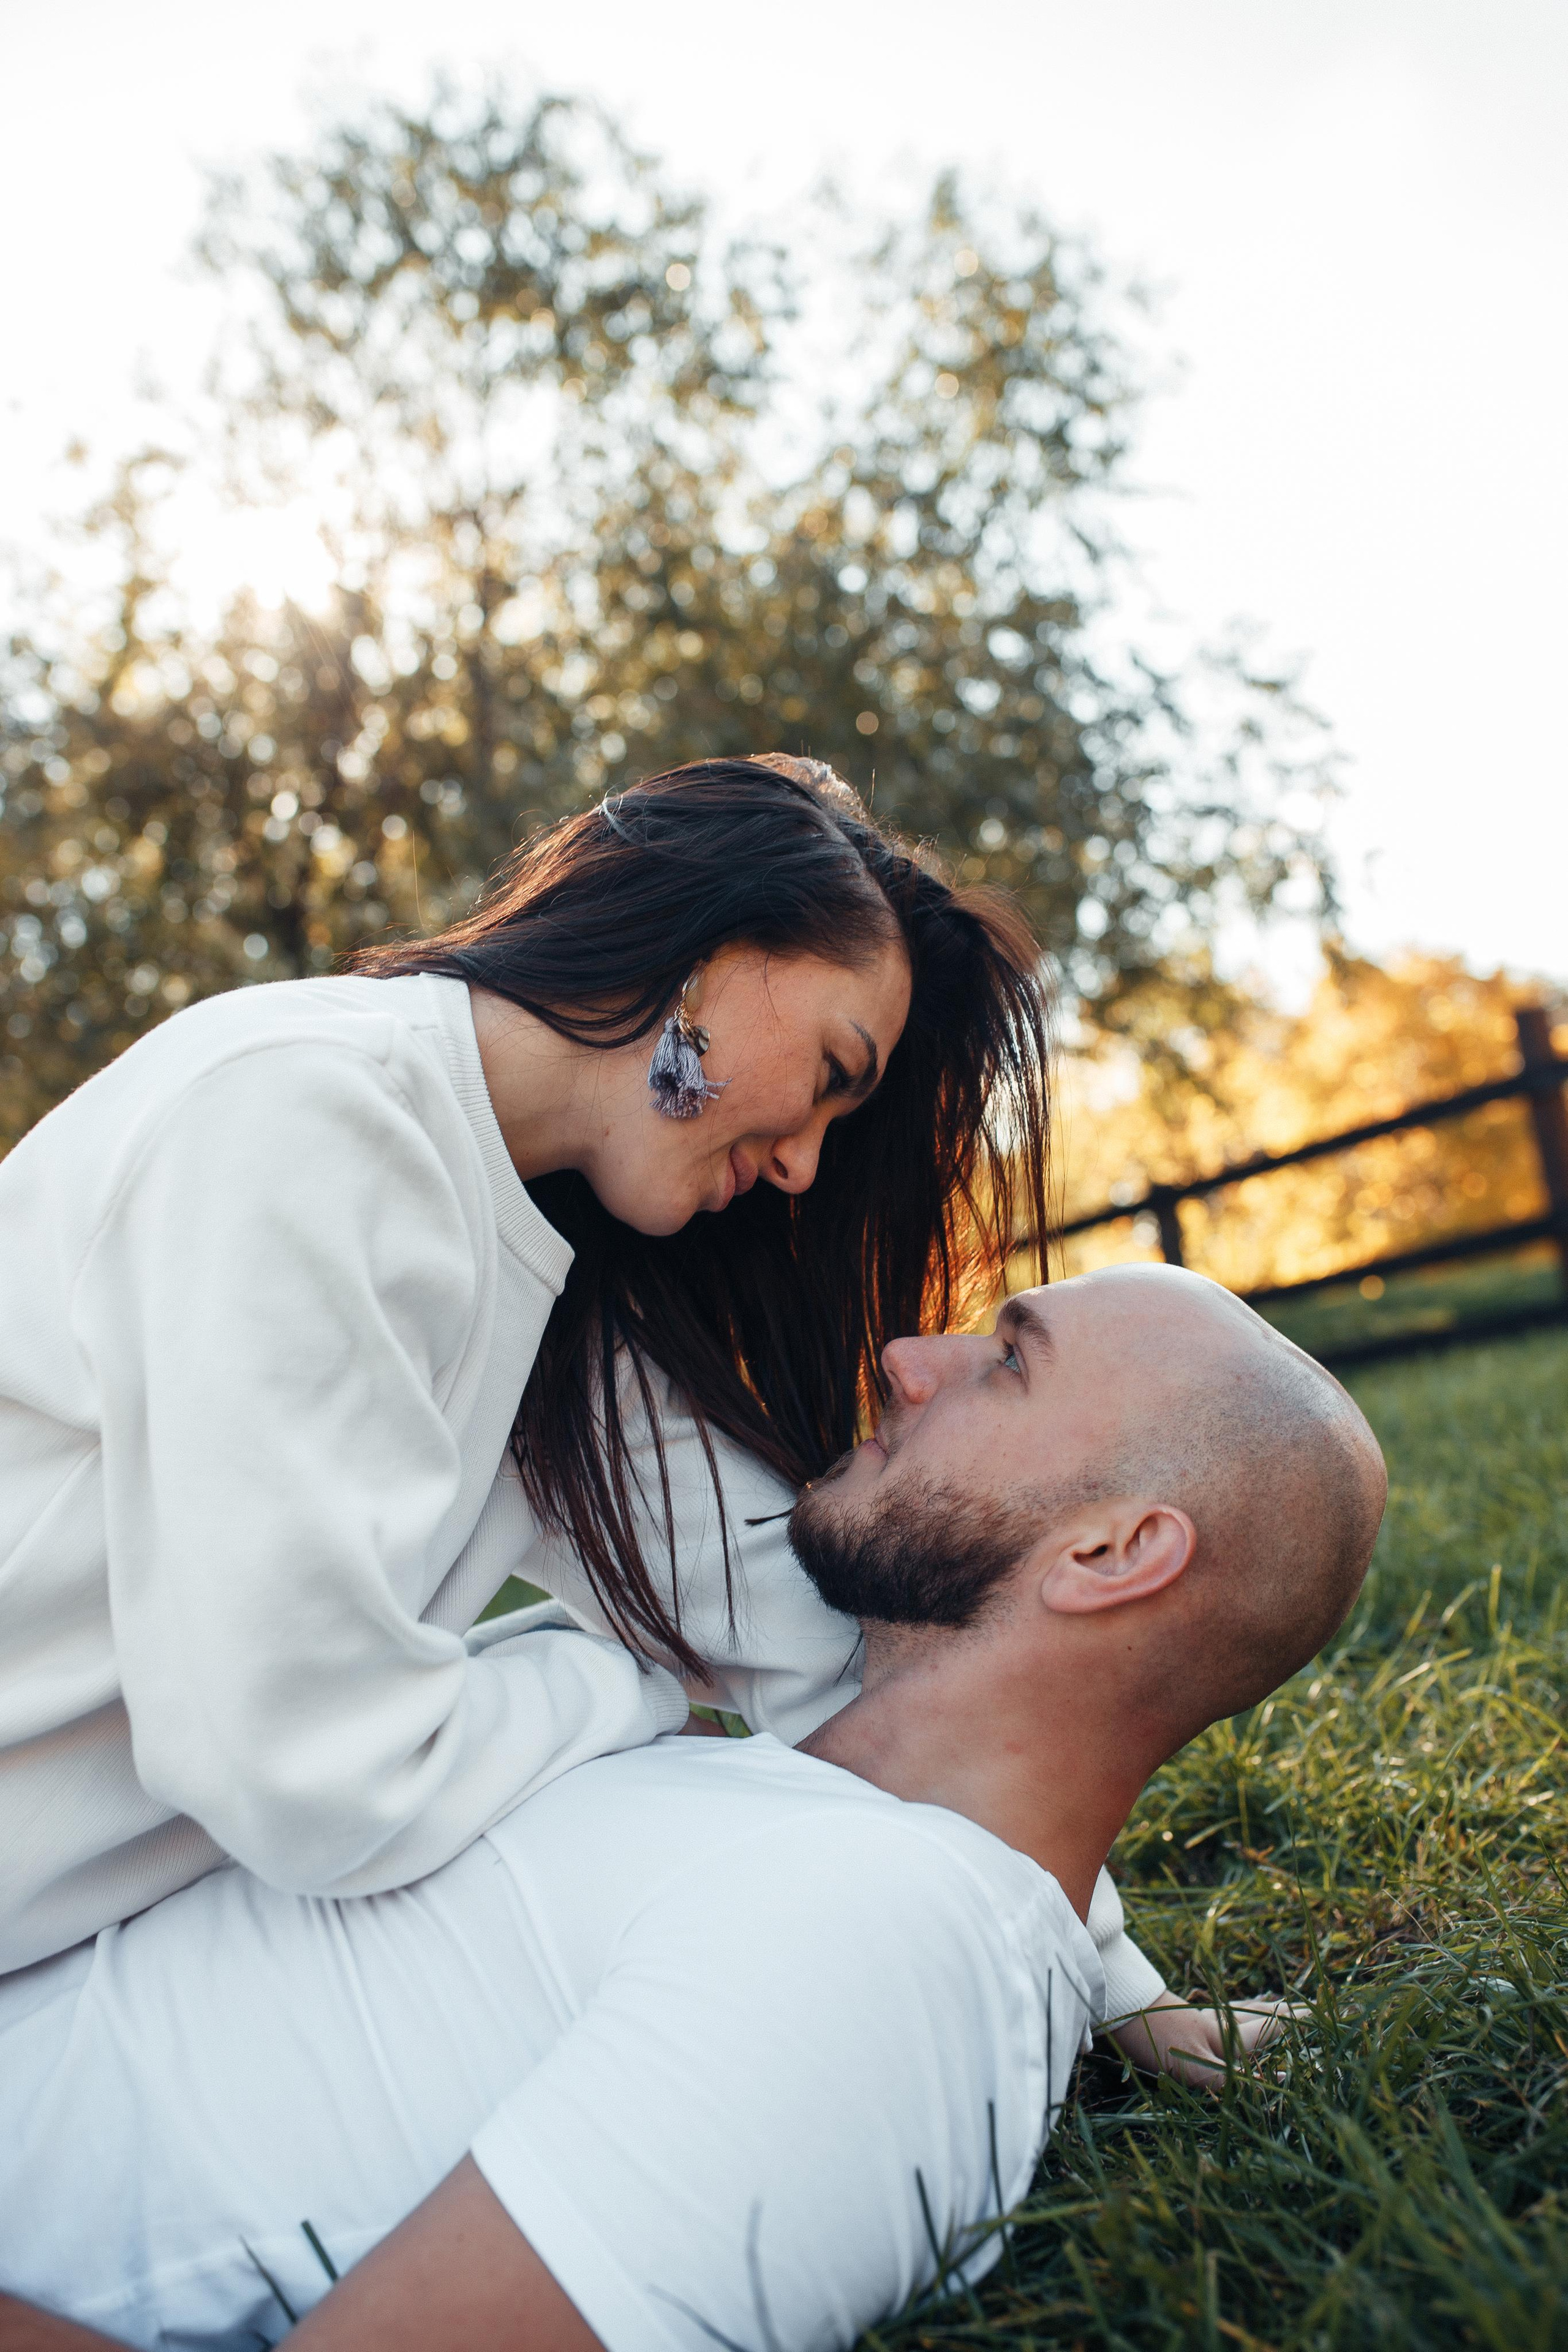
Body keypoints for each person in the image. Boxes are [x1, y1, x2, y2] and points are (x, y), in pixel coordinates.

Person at [0, 1265, 1387, 2352]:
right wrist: (1128, 2005)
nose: (909, 1359)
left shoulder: (896, 1950)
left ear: (1111, 1552)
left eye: (1006, 1362)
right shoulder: (752, 1775)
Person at [0, 753, 1043, 1973]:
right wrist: (624, 1684)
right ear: (707, 951)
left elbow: (816, 1652)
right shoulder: (295, 1117)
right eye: (827, 1073)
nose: (808, 1164)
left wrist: (1102, 1976)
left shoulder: (561, 1295)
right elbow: (314, 1778)